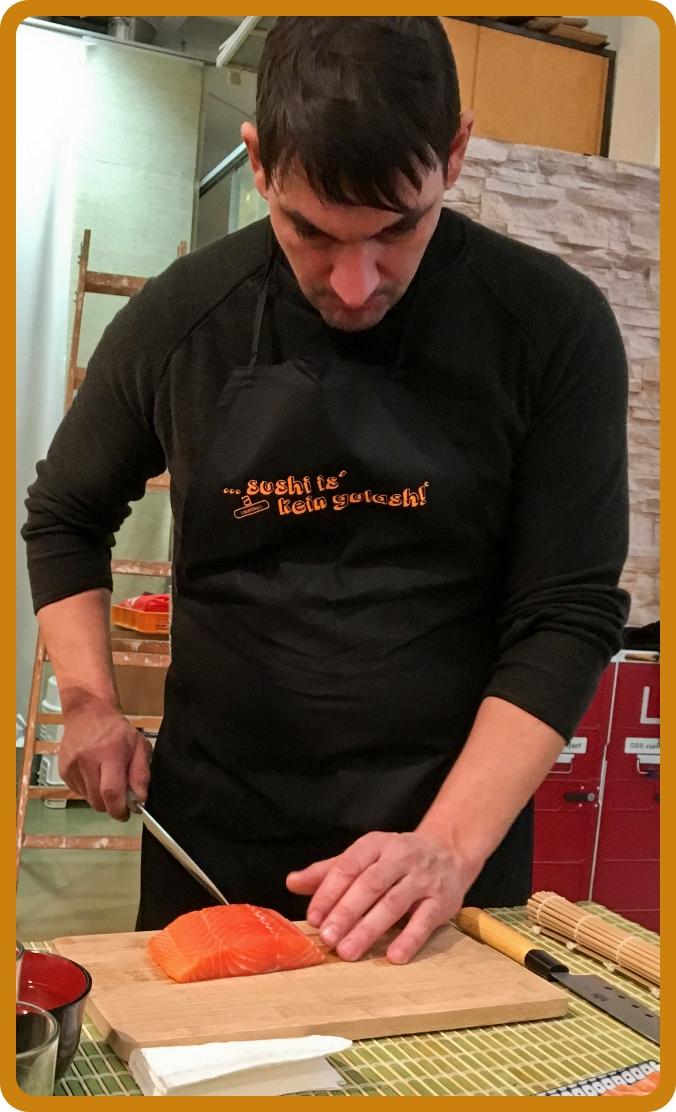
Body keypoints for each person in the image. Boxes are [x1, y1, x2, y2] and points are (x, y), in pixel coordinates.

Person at [23, 16, 630, 965]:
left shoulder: (551, 329)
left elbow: (567, 611)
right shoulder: (182, 320)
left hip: (443, 856)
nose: (353, 285)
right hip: (213, 846)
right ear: (260, 164)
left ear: (455, 153)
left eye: (397, 230)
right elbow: (65, 514)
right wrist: (91, 699)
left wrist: (448, 844)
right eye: (311, 232)